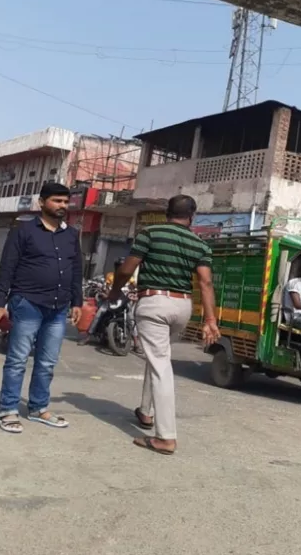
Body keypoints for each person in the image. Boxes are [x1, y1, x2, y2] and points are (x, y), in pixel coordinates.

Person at [106, 194, 219, 455]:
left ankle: (166, 437)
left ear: (167, 212)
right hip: (182, 308)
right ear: (192, 216)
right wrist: (210, 320)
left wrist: (115, 290)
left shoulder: (150, 233)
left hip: (154, 303)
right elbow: (206, 283)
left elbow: (127, 268)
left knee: (160, 365)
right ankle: (146, 412)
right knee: (159, 358)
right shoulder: (200, 244)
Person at [0, 182, 83, 434]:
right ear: (42, 202)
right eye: (57, 201)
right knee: (18, 359)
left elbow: (76, 270)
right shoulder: (24, 231)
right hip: (27, 302)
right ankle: (8, 409)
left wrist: (78, 301)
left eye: (65, 202)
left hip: (58, 307)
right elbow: (7, 268)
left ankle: (39, 408)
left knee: (47, 362)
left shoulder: (71, 234)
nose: (62, 206)